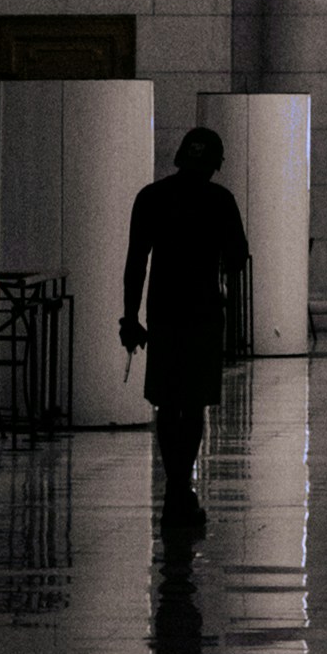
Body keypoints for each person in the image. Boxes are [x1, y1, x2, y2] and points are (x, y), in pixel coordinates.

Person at [121, 126, 251, 532]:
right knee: (192, 404)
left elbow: (135, 263)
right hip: (203, 313)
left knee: (165, 401)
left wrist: (130, 317)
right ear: (215, 162)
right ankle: (180, 490)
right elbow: (236, 259)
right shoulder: (220, 200)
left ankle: (176, 491)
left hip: (164, 311)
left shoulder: (152, 197)